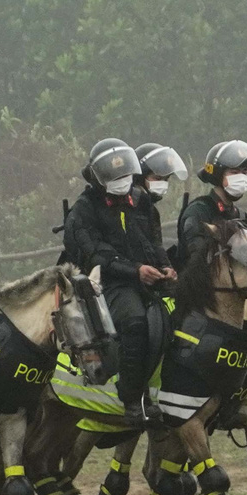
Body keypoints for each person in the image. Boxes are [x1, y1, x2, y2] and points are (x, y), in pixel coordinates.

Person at [62, 140, 174, 426]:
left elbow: (154, 242)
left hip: (146, 278)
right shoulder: (84, 210)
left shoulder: (142, 201)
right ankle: (133, 399)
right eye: (114, 176)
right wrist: (135, 271)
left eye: (125, 174)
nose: (122, 181)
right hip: (108, 284)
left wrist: (167, 267)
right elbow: (95, 255)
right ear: (97, 178)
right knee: (135, 321)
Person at [176, 140, 247, 268]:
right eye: (234, 172)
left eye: (244, 172)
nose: (241, 177)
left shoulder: (243, 218)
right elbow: (198, 259)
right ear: (217, 175)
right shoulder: (198, 212)